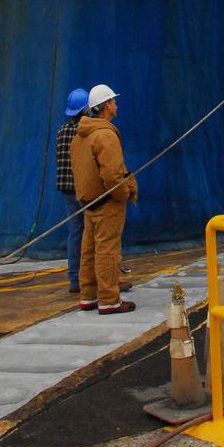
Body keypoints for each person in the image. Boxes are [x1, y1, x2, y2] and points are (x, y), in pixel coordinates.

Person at [70, 83, 138, 314]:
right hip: (108, 203)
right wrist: (124, 194)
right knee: (107, 251)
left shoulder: (79, 136)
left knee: (88, 251)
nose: (116, 105)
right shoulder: (105, 135)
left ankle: (88, 296)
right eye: (114, 101)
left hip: (88, 203)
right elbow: (113, 175)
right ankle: (109, 299)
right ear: (106, 105)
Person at [55, 87, 89, 293]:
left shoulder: (61, 131)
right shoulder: (85, 131)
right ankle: (90, 278)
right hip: (84, 189)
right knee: (93, 233)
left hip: (66, 188)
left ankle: (74, 279)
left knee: (75, 233)